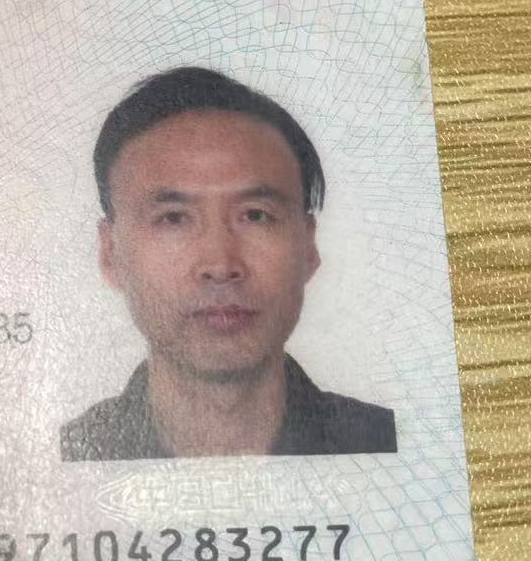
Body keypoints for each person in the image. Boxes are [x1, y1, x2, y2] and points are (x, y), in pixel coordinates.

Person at [61, 66, 397, 461]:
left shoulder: (384, 442)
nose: (220, 265)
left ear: (308, 246)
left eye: (255, 215)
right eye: (174, 218)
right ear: (110, 253)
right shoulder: (71, 454)